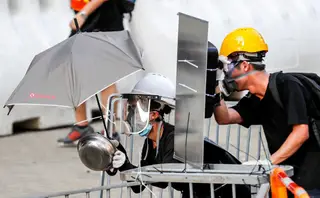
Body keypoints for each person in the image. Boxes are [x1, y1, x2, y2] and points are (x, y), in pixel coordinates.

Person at [107, 70, 251, 198]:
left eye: (134, 108)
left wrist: (127, 165)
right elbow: (139, 185)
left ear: (153, 114)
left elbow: (165, 177)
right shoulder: (150, 143)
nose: (130, 114)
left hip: (226, 191)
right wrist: (121, 159)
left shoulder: (177, 138)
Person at [212, 27, 320, 196]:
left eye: (229, 66)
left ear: (245, 65)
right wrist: (216, 83)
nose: (227, 72)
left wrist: (268, 163)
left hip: (312, 183)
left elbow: (301, 132)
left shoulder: (288, 85)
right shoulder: (255, 99)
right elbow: (224, 118)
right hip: (285, 180)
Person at [58, 0, 126, 144]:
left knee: (106, 78)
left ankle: (110, 131)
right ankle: (81, 125)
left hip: (103, 17)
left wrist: (84, 13)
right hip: (84, 15)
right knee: (74, 70)